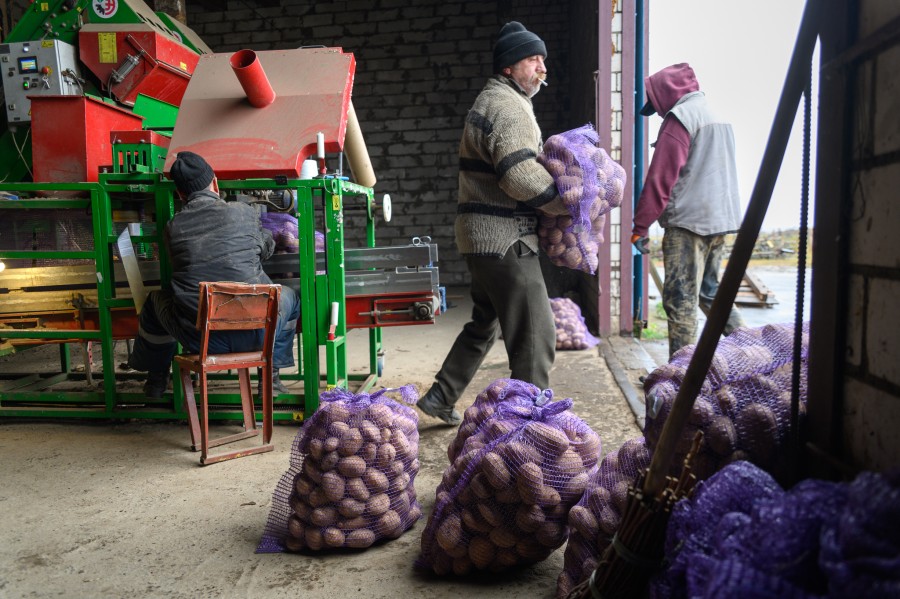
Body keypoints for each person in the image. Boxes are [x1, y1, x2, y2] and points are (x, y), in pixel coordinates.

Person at [416, 21, 568, 425]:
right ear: (508, 67)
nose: (542, 68)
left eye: (543, 60)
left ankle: (440, 396)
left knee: (485, 322)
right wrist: (564, 205)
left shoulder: (499, 100)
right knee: (537, 335)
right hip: (505, 238)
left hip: (481, 236)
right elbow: (518, 175)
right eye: (533, 59)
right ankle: (529, 424)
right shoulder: (506, 105)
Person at [128, 151, 300, 398]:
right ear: (215, 183)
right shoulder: (243, 212)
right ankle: (270, 379)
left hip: (202, 340)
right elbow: (266, 248)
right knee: (290, 297)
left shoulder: (173, 227)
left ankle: (156, 381)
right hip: (259, 333)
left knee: (155, 301)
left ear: (180, 194)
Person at [631, 63, 745, 359]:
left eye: (656, 106)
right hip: (720, 220)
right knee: (710, 293)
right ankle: (753, 352)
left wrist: (640, 227)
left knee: (681, 300)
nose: (657, 113)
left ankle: (679, 377)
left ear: (668, 95)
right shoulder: (716, 116)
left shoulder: (679, 118)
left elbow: (660, 178)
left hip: (689, 225)